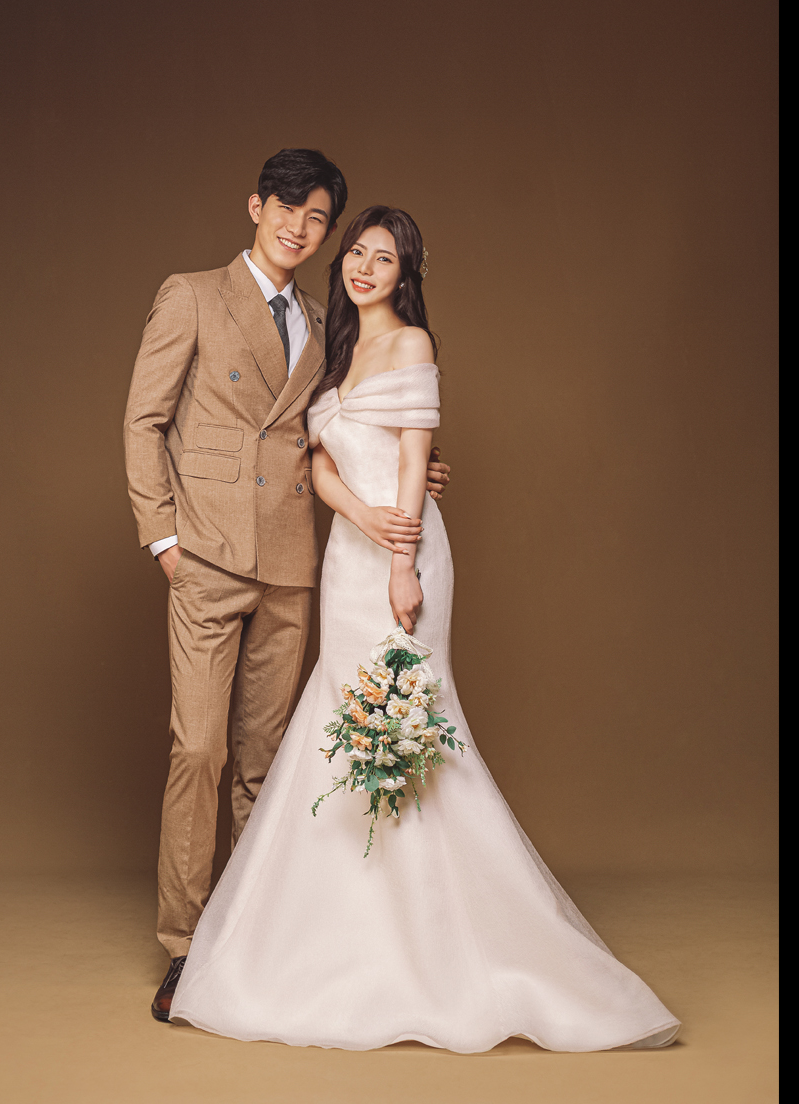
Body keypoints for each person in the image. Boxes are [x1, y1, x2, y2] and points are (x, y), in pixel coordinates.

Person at [166, 206, 680, 1052]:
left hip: (401, 555)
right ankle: (334, 931)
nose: (365, 268)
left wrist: (400, 557)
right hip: (348, 554)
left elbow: (411, 459)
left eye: (385, 259)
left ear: (407, 276)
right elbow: (318, 461)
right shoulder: (334, 347)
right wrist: (359, 517)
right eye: (357, 253)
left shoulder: (411, 344)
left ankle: (435, 937)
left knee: (408, 730)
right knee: (340, 722)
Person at [123, 152, 452, 1023]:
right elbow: (144, 419)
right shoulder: (192, 295)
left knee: (266, 760)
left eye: (317, 218)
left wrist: (412, 468)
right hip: (206, 553)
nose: (301, 229)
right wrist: (163, 538)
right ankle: (186, 944)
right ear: (256, 206)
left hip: (294, 564)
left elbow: (344, 427)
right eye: (288, 209)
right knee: (200, 750)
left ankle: (248, 933)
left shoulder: (324, 319)